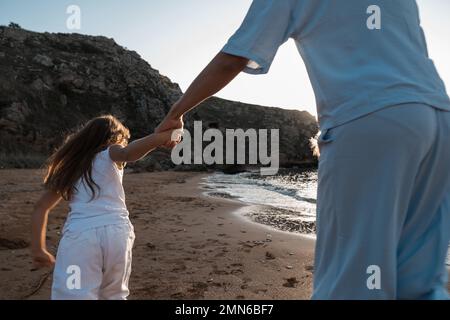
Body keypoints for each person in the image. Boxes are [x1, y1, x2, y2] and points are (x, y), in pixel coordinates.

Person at [156, 0, 450, 299]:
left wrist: (175, 113)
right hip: (438, 117)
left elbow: (234, 58)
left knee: (352, 282)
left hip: (370, 118)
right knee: (420, 283)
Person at [31, 115, 178, 299]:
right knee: (114, 294)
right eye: (122, 140)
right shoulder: (110, 152)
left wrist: (38, 249)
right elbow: (127, 154)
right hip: (118, 234)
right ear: (113, 138)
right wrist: (162, 137)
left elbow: (41, 208)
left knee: (73, 293)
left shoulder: (70, 168)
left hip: (81, 238)